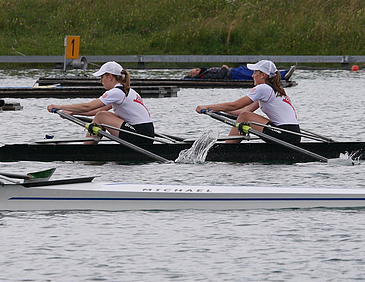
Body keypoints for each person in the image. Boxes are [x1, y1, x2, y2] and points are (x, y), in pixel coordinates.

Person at [47, 61, 154, 145]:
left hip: (140, 136)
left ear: (110, 76)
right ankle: (89, 149)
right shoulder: (126, 90)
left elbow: (87, 107)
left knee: (102, 116)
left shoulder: (116, 92)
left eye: (102, 77)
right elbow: (95, 110)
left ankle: (85, 151)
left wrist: (59, 106)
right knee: (101, 115)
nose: (100, 81)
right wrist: (73, 112)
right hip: (146, 134)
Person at [195, 60, 300, 144]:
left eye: (255, 73)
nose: (252, 75)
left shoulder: (263, 88)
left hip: (285, 135)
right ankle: (232, 147)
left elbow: (234, 105)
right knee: (245, 115)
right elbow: (241, 111)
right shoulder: (274, 90)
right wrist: (218, 110)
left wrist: (207, 106)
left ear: (263, 75)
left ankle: (227, 149)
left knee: (246, 116)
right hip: (293, 134)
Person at [185, 64, 295, 81]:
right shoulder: (206, 76)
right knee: (254, 74)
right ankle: (281, 76)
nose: (197, 70)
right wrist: (224, 68)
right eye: (195, 71)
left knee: (254, 69)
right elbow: (219, 76)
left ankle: (282, 72)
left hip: (235, 70)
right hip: (234, 74)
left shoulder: (206, 71)